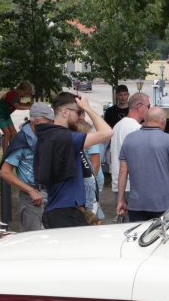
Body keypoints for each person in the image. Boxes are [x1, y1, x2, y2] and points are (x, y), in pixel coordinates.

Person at [35, 93, 112, 228]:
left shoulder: (48, 136)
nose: (81, 117)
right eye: (79, 112)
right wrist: (87, 107)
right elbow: (107, 132)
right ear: (64, 112)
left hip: (56, 209)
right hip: (67, 213)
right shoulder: (67, 138)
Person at [0, 102, 54, 231]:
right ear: (37, 121)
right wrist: (31, 191)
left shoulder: (46, 136)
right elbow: (4, 172)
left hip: (50, 192)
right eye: (49, 122)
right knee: (34, 239)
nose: (52, 125)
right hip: (31, 198)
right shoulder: (21, 140)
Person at [109, 92, 149, 202]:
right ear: (140, 107)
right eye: (148, 106)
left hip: (118, 184)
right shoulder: (137, 128)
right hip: (132, 185)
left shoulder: (117, 126)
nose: (149, 110)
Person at [0, 81, 34, 152]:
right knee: (7, 133)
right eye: (25, 93)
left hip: (5, 115)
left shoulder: (17, 96)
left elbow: (18, 103)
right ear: (21, 90)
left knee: (14, 134)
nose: (25, 95)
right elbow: (17, 106)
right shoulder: (13, 95)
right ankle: (5, 154)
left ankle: (11, 151)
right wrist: (29, 107)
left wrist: (27, 104)